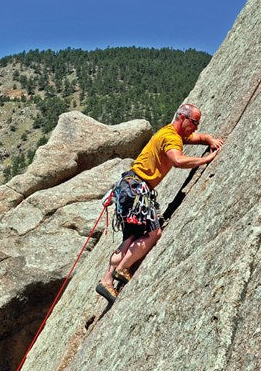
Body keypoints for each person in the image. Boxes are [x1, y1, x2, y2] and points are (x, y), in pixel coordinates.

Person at [96, 104, 223, 304]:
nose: (196, 128)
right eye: (194, 123)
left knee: (131, 237)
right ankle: (121, 270)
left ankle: (106, 280)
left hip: (128, 187)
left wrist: (209, 139)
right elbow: (178, 160)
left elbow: (195, 138)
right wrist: (206, 159)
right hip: (137, 189)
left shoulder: (171, 132)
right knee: (153, 233)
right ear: (182, 118)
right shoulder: (171, 138)